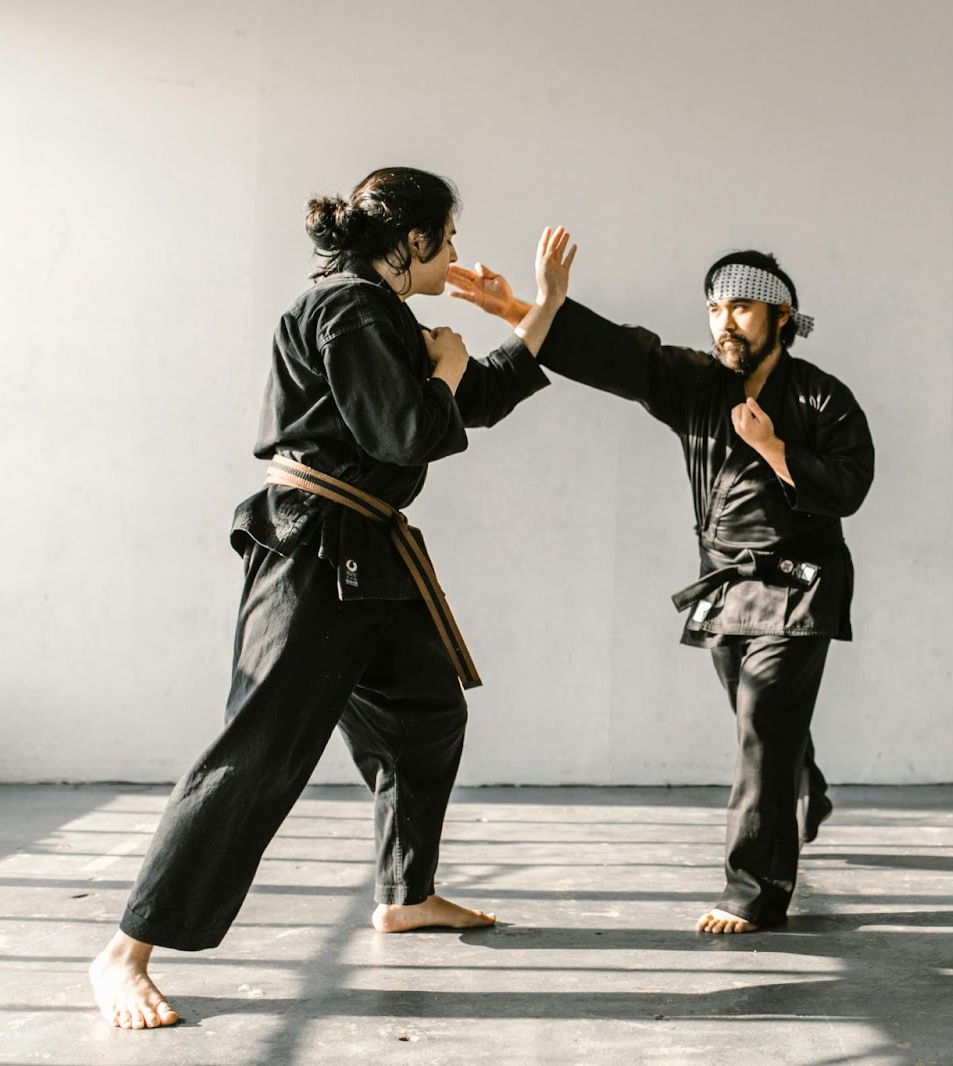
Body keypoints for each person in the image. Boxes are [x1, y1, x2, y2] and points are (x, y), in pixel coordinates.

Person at [88, 166, 577, 1028]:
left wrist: (542, 306)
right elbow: (410, 429)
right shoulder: (348, 308)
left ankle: (405, 893)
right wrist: (449, 366)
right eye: (449, 236)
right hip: (313, 550)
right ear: (413, 240)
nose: (456, 253)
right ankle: (125, 951)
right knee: (259, 747)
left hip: (369, 555)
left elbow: (479, 399)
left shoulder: (381, 314)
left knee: (425, 715)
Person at [448, 248, 874, 933]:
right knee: (759, 719)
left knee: (763, 724)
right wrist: (520, 310)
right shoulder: (697, 382)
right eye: (714, 308)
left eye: (739, 306)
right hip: (723, 583)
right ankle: (808, 787)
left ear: (781, 314)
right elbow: (622, 358)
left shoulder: (823, 396)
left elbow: (850, 488)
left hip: (800, 588)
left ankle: (753, 895)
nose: (723, 322)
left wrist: (773, 450)